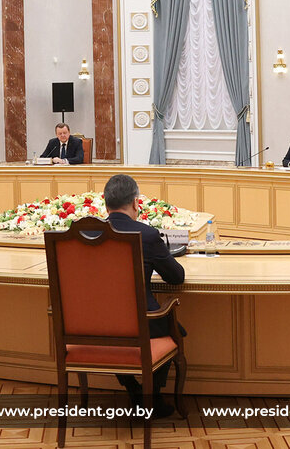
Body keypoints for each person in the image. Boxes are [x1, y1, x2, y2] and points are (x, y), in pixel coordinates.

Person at [104, 173, 184, 417]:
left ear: (105, 205)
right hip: (140, 324)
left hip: (96, 324)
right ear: (135, 203)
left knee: (117, 328)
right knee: (174, 328)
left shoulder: (90, 234)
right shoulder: (147, 235)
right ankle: (152, 396)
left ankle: (132, 388)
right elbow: (176, 277)